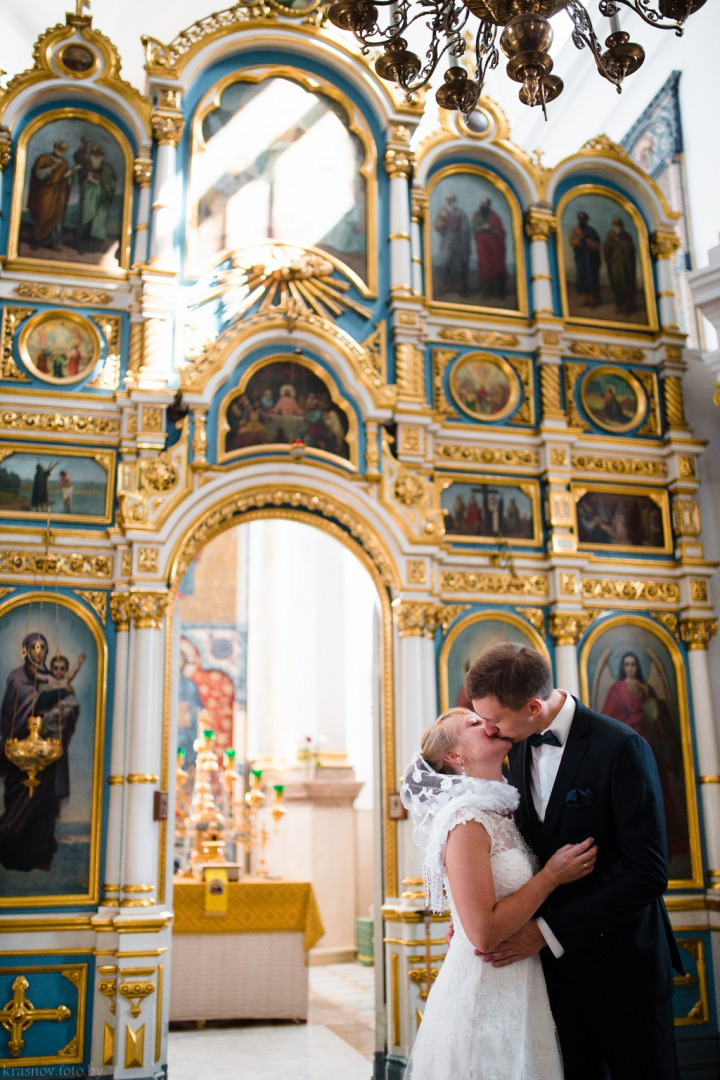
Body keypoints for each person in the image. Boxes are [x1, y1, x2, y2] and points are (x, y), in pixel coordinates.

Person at [465, 641, 682, 1080]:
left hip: (624, 968)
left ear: (531, 706)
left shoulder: (621, 746)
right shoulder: (518, 745)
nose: (487, 730)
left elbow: (649, 872)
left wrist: (547, 932)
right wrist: (481, 908)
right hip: (553, 978)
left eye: (493, 719)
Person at [399, 707, 597, 1079]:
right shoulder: (466, 821)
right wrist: (551, 875)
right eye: (474, 724)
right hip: (485, 990)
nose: (488, 725)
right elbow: (485, 934)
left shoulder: (503, 811)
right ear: (455, 757)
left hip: (523, 981)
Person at [0, 632, 81, 872]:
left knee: (44, 807)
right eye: (33, 647)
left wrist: (69, 713)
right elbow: (19, 710)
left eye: (42, 647)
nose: (38, 651)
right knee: (18, 802)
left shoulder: (51, 679)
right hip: (20, 754)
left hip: (47, 756)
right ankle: (12, 853)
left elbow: (69, 707)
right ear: (25, 650)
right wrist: (56, 695)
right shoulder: (17, 678)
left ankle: (41, 854)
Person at [26, 140, 80, 249]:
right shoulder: (44, 158)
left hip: (59, 193)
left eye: (64, 149)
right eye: (60, 148)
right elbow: (38, 174)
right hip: (44, 193)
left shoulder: (64, 162)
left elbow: (64, 178)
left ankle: (53, 242)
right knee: (43, 215)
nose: (62, 151)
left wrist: (71, 174)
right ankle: (37, 241)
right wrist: (52, 168)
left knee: (56, 216)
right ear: (56, 147)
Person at [73, 139, 117, 255]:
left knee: (98, 223)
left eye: (98, 153)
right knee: (85, 221)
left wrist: (101, 181)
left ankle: (97, 247)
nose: (96, 155)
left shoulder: (107, 168)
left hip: (101, 201)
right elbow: (78, 159)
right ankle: (82, 247)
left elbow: (111, 183)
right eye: (94, 153)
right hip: (88, 198)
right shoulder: (86, 164)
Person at [433, 192, 471, 296]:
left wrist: (462, 236)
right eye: (448, 199)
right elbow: (437, 225)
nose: (449, 200)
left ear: (454, 200)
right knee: (446, 261)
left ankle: (458, 286)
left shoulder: (459, 212)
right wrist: (442, 220)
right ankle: (446, 285)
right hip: (446, 239)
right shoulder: (443, 211)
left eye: (451, 199)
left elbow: (464, 227)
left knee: (457, 263)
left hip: (457, 239)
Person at [472, 197, 507, 299]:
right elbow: (474, 227)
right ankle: (486, 292)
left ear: (488, 204)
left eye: (485, 203)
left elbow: (500, 230)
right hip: (483, 246)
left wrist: (492, 230)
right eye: (482, 203)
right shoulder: (477, 216)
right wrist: (483, 228)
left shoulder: (495, 217)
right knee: (484, 266)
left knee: (496, 267)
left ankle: (498, 292)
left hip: (494, 247)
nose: (483, 205)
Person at [603, 216, 637, 315]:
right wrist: (608, 245)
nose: (616, 227)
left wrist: (621, 242)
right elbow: (607, 247)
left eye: (618, 225)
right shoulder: (611, 235)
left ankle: (628, 305)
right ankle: (620, 304)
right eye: (615, 225)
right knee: (616, 283)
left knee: (625, 283)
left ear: (621, 226)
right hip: (615, 265)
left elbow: (631, 249)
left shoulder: (627, 236)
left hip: (625, 266)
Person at [568, 211, 601, 307]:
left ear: (586, 220)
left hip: (591, 260)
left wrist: (588, 242)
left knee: (591, 278)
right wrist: (579, 240)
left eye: (583, 218)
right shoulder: (575, 230)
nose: (581, 220)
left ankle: (593, 300)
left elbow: (597, 245)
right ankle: (584, 299)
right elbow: (572, 241)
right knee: (581, 278)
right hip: (581, 258)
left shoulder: (592, 231)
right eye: (579, 218)